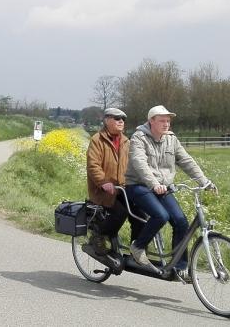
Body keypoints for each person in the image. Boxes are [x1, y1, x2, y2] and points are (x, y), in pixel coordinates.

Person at [125, 105, 214, 279]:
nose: (166, 124)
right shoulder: (139, 137)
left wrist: (205, 181)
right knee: (161, 216)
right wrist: (154, 183)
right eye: (162, 121)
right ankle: (138, 247)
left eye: (168, 121)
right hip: (139, 185)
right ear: (151, 121)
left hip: (162, 187)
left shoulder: (171, 139)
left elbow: (186, 161)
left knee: (181, 221)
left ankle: (180, 267)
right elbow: (139, 163)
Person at [86, 108, 142, 255]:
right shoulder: (97, 140)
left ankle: (137, 250)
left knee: (140, 212)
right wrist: (103, 182)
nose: (121, 121)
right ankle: (98, 236)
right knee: (120, 212)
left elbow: (134, 164)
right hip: (103, 191)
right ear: (106, 120)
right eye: (117, 118)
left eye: (123, 119)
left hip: (123, 188)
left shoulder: (126, 141)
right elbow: (93, 165)